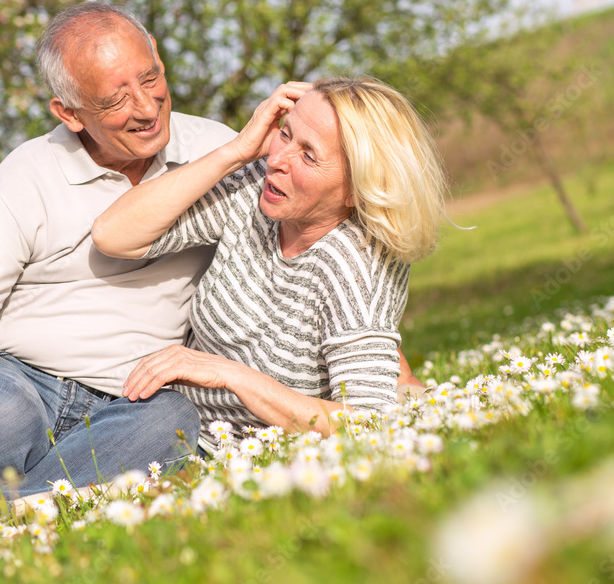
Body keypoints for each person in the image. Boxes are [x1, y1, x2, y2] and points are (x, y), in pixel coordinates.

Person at [0, 5, 420, 573]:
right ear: (68, 112)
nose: (146, 107)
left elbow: (344, 286)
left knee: (170, 425)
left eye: (151, 79)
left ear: (160, 60)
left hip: (142, 396)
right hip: (25, 376)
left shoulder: (230, 156)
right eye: (115, 98)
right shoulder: (34, 175)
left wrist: (387, 360)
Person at [92, 78, 443, 452]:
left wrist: (229, 375)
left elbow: (368, 423)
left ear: (357, 189)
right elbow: (113, 235)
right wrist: (237, 151)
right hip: (165, 417)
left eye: (308, 155)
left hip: (233, 456)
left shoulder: (354, 270)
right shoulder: (258, 186)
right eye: (285, 133)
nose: (277, 160)